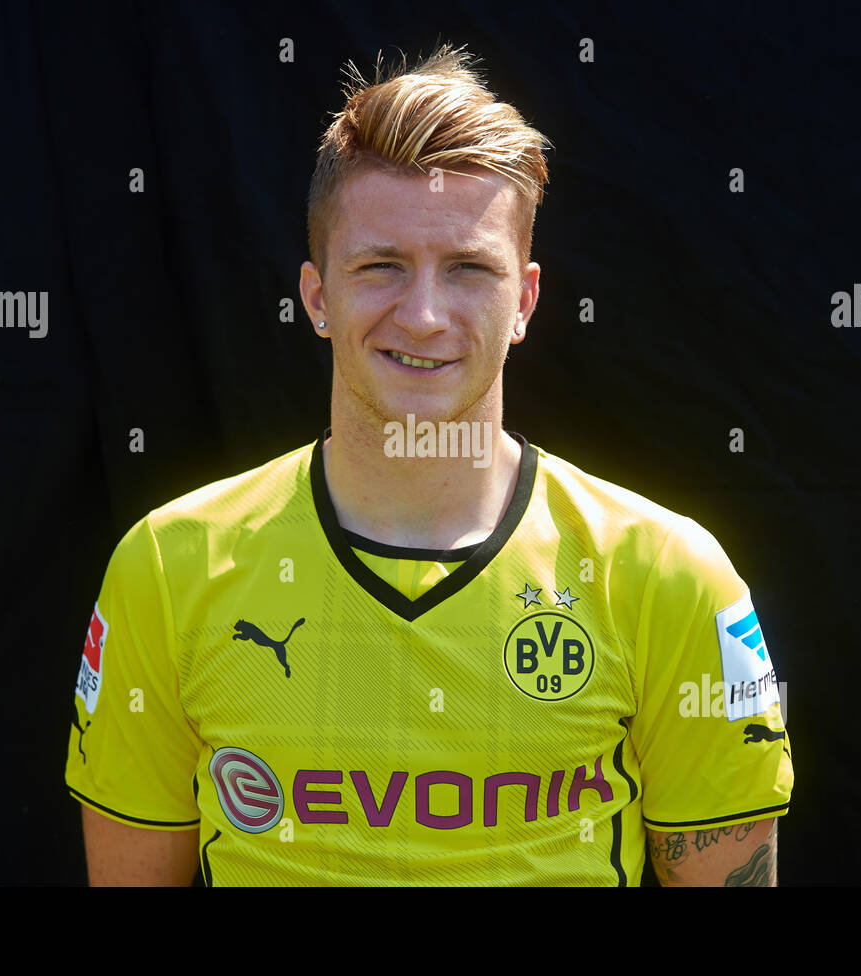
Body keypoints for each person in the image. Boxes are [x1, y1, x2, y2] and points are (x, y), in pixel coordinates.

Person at [65, 42, 793, 886]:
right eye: (380, 267)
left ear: (523, 302)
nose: (422, 315)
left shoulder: (669, 574)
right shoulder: (168, 566)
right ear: (316, 297)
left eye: (468, 271)